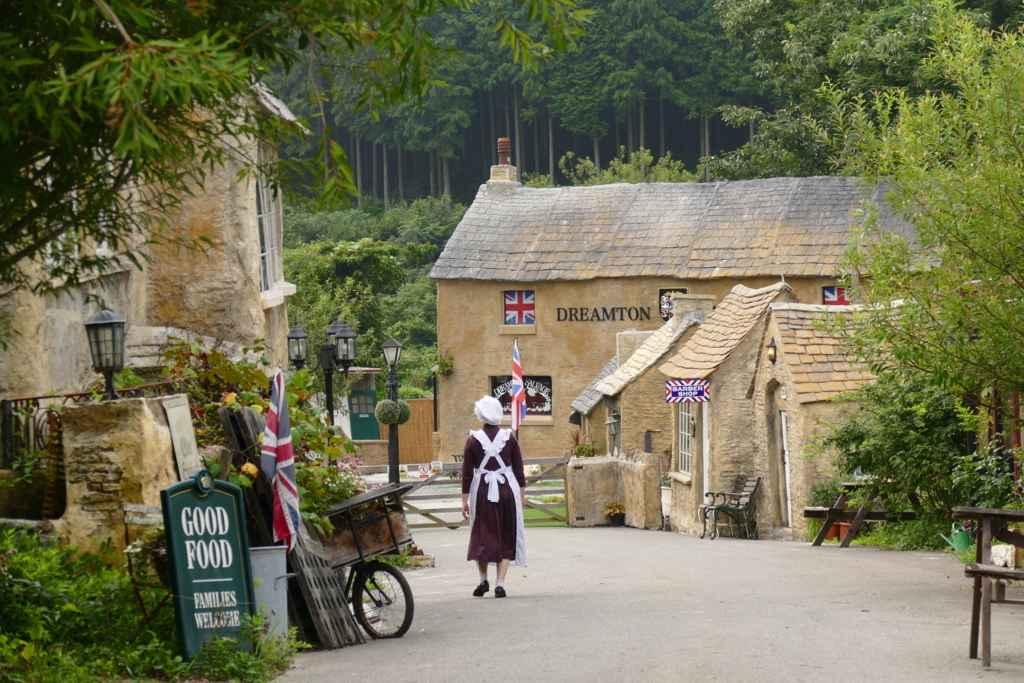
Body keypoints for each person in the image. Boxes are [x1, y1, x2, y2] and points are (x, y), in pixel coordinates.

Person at [461, 395, 527, 598]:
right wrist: (521, 496)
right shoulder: (510, 437)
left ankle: (483, 581)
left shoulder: (473, 439)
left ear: (481, 415)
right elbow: (518, 470)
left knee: (483, 535)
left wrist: (464, 500)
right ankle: (500, 584)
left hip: (482, 492)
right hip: (507, 490)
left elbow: (467, 473)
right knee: (506, 533)